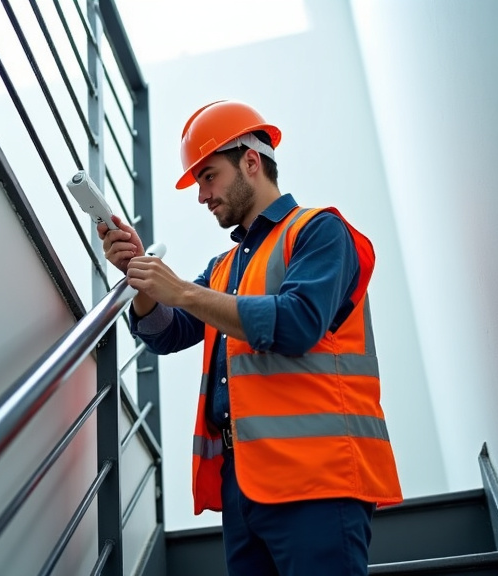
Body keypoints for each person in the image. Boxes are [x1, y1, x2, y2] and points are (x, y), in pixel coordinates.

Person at [98, 100, 403, 576]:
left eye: (209, 176)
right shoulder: (223, 269)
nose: (202, 195)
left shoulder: (320, 231)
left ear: (251, 161)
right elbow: (167, 331)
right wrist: (141, 280)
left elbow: (297, 322)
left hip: (317, 478)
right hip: (243, 487)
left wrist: (180, 289)